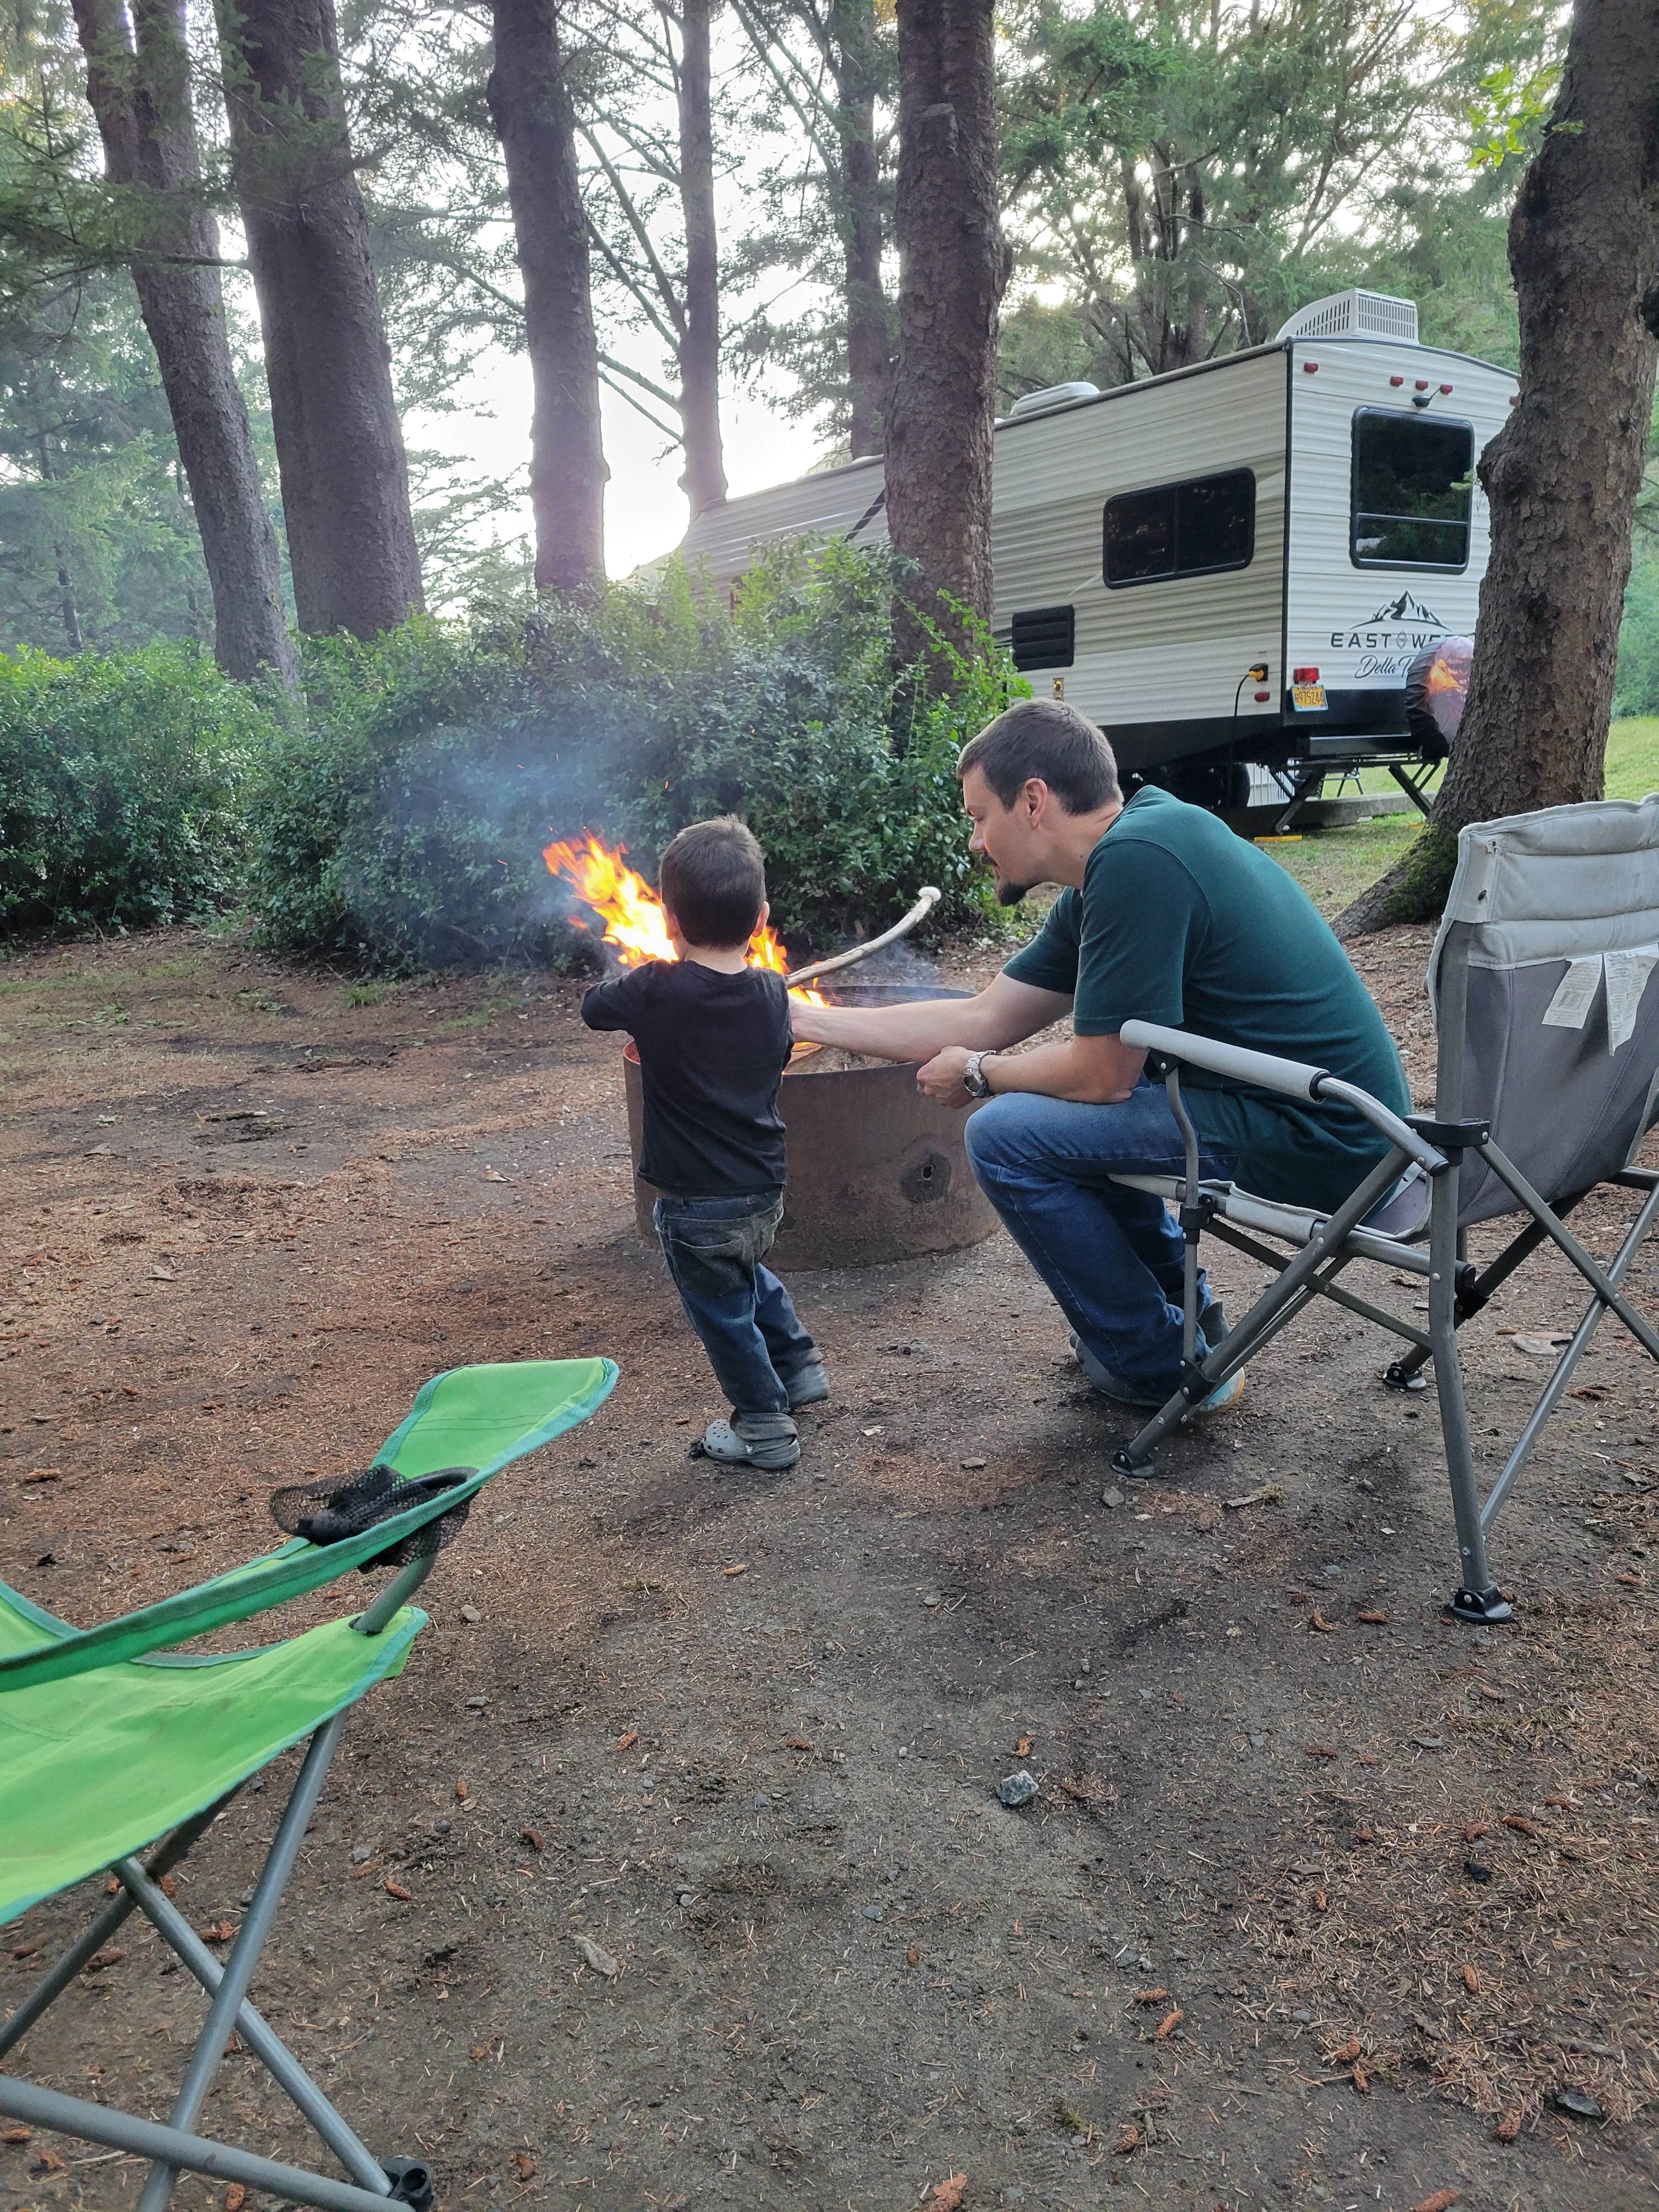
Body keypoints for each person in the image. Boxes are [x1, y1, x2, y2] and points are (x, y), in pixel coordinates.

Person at [788, 700, 1412, 1412]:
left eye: (977, 815)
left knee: (1002, 1135)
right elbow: (982, 1016)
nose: (973, 842)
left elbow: (1103, 1077)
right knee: (1055, 1121)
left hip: (1334, 1142)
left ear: (1032, 801)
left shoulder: (1139, 862)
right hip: (1311, 1117)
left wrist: (977, 1074)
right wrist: (804, 1019)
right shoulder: (1123, 862)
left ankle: (1157, 1368)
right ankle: (1189, 1326)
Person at [581, 816, 827, 1471]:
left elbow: (593, 1008)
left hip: (696, 1203)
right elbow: (776, 1054)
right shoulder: (775, 990)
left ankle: (765, 1427)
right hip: (763, 1190)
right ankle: (800, 1368)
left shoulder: (655, 987)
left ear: (669, 920)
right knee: (748, 1273)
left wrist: (641, 977)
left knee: (721, 1313)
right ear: (762, 917)